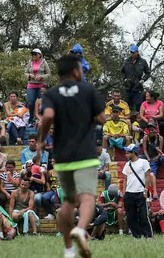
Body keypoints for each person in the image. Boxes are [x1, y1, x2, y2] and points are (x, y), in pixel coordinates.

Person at [37, 54, 106, 258]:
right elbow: (102, 118)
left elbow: (47, 116)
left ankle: (68, 249)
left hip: (63, 155)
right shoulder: (87, 90)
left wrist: (41, 141)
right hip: (85, 153)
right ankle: (80, 228)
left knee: (67, 201)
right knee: (87, 197)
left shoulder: (51, 93)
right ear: (76, 71)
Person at [122, 144, 153, 239]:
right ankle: (137, 236)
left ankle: (148, 236)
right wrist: (124, 194)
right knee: (131, 217)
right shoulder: (127, 164)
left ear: (134, 152)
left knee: (144, 216)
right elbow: (125, 179)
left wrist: (146, 190)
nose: (126, 155)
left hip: (140, 192)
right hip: (129, 193)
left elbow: (148, 176)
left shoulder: (143, 162)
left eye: (128, 153)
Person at [25, 49, 51, 123]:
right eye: (33, 54)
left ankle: (42, 118)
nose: (34, 56)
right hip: (31, 85)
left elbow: (49, 74)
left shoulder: (44, 62)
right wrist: (29, 75)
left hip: (41, 86)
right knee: (30, 102)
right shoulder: (30, 62)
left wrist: (42, 77)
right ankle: (31, 119)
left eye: (35, 54)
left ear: (40, 55)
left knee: (42, 103)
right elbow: (25, 72)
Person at [121, 45, 150, 111]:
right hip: (128, 87)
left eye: (134, 52)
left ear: (137, 52)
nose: (132, 54)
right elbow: (122, 72)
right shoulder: (127, 61)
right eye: (131, 52)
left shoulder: (143, 61)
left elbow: (148, 73)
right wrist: (125, 79)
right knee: (126, 106)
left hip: (138, 87)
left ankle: (138, 119)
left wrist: (143, 80)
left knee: (138, 105)